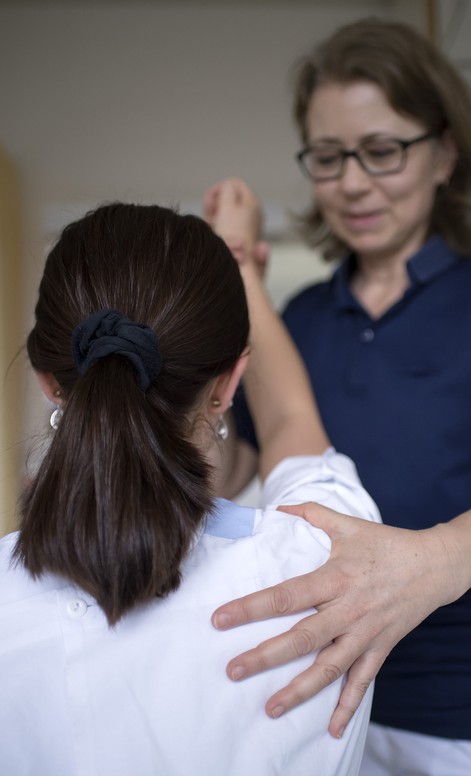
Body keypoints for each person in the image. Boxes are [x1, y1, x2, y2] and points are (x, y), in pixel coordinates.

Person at [208, 19, 471, 776]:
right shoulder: (303, 317)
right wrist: (226, 272)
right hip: (327, 704)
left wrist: (432, 562)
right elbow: (223, 473)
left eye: (381, 151)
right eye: (328, 156)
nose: (351, 181)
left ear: (445, 152)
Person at [0, 189, 381, 776]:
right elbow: (290, 419)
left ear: (51, 384)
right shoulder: (328, 562)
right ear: (229, 386)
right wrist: (241, 262)